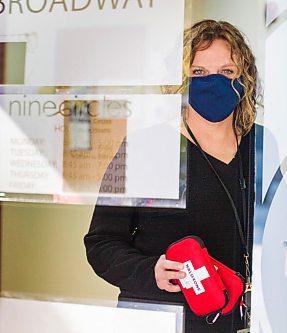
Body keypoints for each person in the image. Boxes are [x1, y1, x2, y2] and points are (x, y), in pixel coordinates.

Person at [84, 19, 259, 332]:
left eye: (227, 72)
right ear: (181, 80)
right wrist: (151, 270)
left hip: (236, 322)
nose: (213, 82)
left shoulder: (261, 148)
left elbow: (284, 239)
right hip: (157, 319)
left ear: (244, 80)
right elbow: (101, 243)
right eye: (199, 73)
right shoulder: (144, 147)